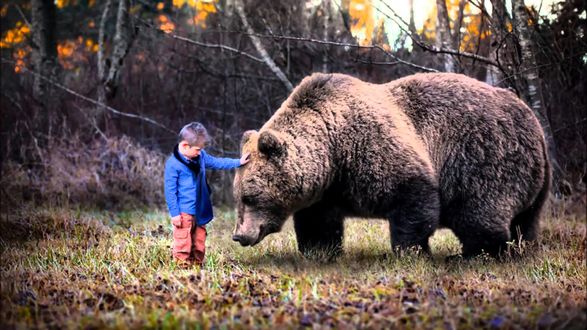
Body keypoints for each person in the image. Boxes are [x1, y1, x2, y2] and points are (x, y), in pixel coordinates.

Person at [164, 122, 250, 267]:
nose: (200, 152)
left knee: (199, 240)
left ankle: (197, 265)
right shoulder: (173, 164)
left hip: (201, 209)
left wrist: (238, 162)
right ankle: (182, 267)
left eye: (201, 149)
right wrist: (175, 214)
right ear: (185, 146)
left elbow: (217, 162)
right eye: (197, 149)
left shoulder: (201, 156)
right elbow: (170, 191)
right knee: (183, 240)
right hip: (184, 212)